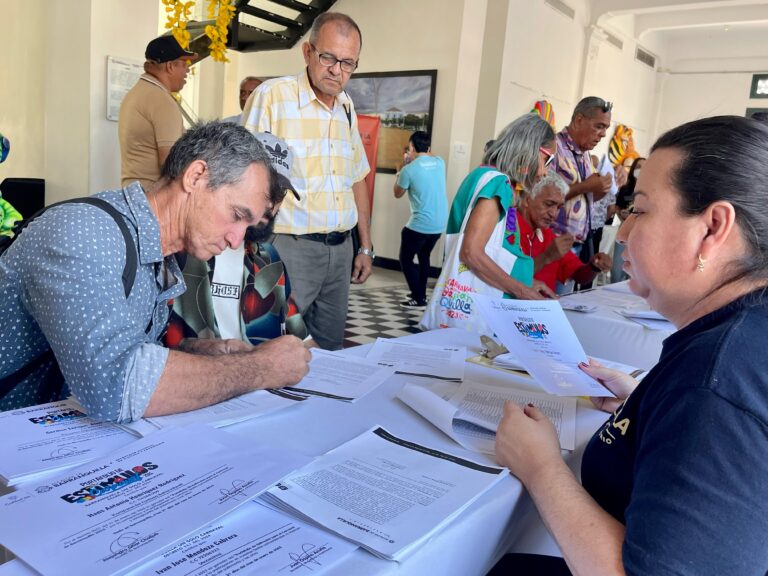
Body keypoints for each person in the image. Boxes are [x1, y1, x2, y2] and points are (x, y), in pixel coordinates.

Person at [493, 116, 768, 575]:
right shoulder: (738, 337)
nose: (622, 234)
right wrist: (645, 404)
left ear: (713, 228)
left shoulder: (716, 386)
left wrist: (540, 466)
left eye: (639, 210)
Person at [0, 121, 311, 422]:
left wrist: (205, 352)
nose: (236, 240)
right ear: (196, 176)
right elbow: (119, 387)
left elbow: (129, 351)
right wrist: (260, 368)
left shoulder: (158, 254)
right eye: (237, 215)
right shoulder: (85, 232)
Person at [243, 12, 373, 350]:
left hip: (340, 251)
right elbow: (244, 176)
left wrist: (366, 246)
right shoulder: (273, 97)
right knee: (279, 347)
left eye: (347, 63)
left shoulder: (346, 106)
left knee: (330, 349)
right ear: (307, 52)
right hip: (288, 247)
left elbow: (357, 177)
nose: (336, 70)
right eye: (328, 57)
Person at [165, 132, 309, 346]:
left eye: (281, 191)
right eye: (265, 189)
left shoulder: (269, 259)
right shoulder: (184, 250)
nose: (271, 204)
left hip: (264, 378)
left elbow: (301, 337)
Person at [443, 113, 557, 300]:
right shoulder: (498, 183)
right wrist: (522, 291)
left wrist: (526, 282)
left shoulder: (486, 175)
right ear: (531, 150)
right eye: (548, 161)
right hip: (482, 307)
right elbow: (471, 252)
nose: (545, 172)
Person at [119, 35, 198, 189]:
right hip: (153, 198)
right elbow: (171, 163)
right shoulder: (161, 101)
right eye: (184, 63)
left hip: (133, 192)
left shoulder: (137, 92)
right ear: (170, 66)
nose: (187, 69)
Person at [518, 172, 611, 292]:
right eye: (549, 204)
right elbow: (507, 278)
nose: (553, 214)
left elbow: (578, 274)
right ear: (527, 200)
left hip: (544, 308)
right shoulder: (507, 228)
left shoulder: (548, 235)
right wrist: (546, 257)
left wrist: (594, 266)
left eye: (558, 207)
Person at [553, 97, 615, 262]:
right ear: (579, 120)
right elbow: (541, 198)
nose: (603, 134)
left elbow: (587, 198)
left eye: (606, 128)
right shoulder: (554, 148)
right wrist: (586, 186)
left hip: (579, 244)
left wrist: (601, 188)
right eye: (599, 126)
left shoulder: (585, 154)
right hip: (554, 245)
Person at [393, 131, 448, 310]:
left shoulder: (409, 170)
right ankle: (421, 294)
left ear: (412, 148)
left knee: (405, 259)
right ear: (429, 147)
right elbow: (428, 155)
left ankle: (418, 297)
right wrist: (418, 153)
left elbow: (397, 193)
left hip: (420, 224)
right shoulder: (440, 162)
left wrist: (401, 169)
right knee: (424, 256)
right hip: (439, 224)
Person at [611, 156, 646, 282]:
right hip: (624, 227)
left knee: (636, 268)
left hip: (641, 232)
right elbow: (617, 207)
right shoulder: (626, 189)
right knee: (618, 265)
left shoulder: (649, 190)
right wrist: (622, 213)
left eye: (643, 167)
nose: (639, 170)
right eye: (637, 167)